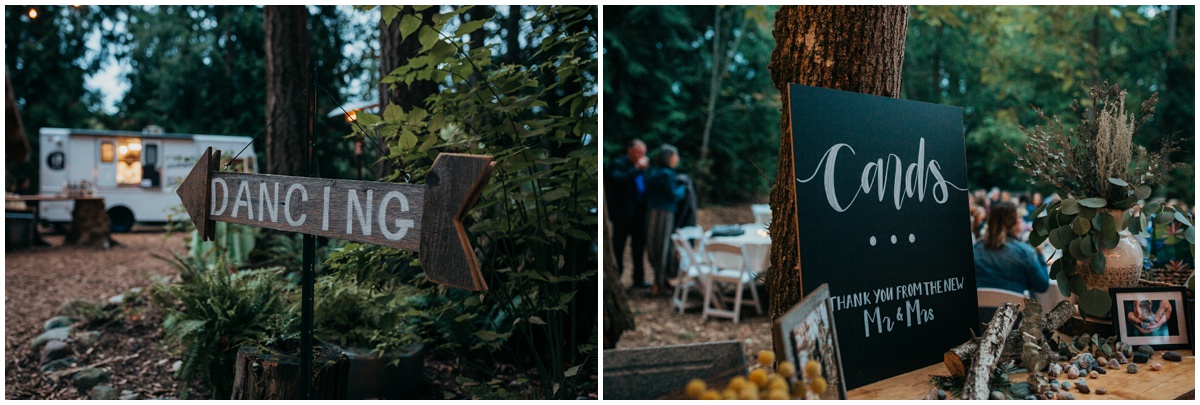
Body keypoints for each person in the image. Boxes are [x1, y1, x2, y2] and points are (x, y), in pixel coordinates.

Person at [973, 201, 1050, 295]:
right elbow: (1042, 285)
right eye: (1019, 217)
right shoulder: (1024, 252)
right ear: (1013, 223)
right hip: (1014, 304)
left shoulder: (976, 249)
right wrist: (1040, 254)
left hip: (982, 304)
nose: (1021, 220)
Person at [607, 139, 650, 288]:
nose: (641, 156)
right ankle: (617, 278)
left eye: (643, 153)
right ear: (629, 151)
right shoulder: (618, 164)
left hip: (640, 214)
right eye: (638, 152)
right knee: (618, 247)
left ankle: (639, 279)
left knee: (638, 247)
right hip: (623, 215)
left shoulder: (643, 168)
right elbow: (617, 181)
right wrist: (636, 168)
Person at [645, 144, 686, 294]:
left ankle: (660, 280)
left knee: (655, 246)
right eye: (676, 156)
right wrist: (683, 187)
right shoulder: (666, 174)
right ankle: (660, 282)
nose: (678, 158)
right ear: (668, 158)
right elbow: (673, 195)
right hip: (664, 213)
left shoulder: (655, 172)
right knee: (662, 247)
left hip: (653, 212)